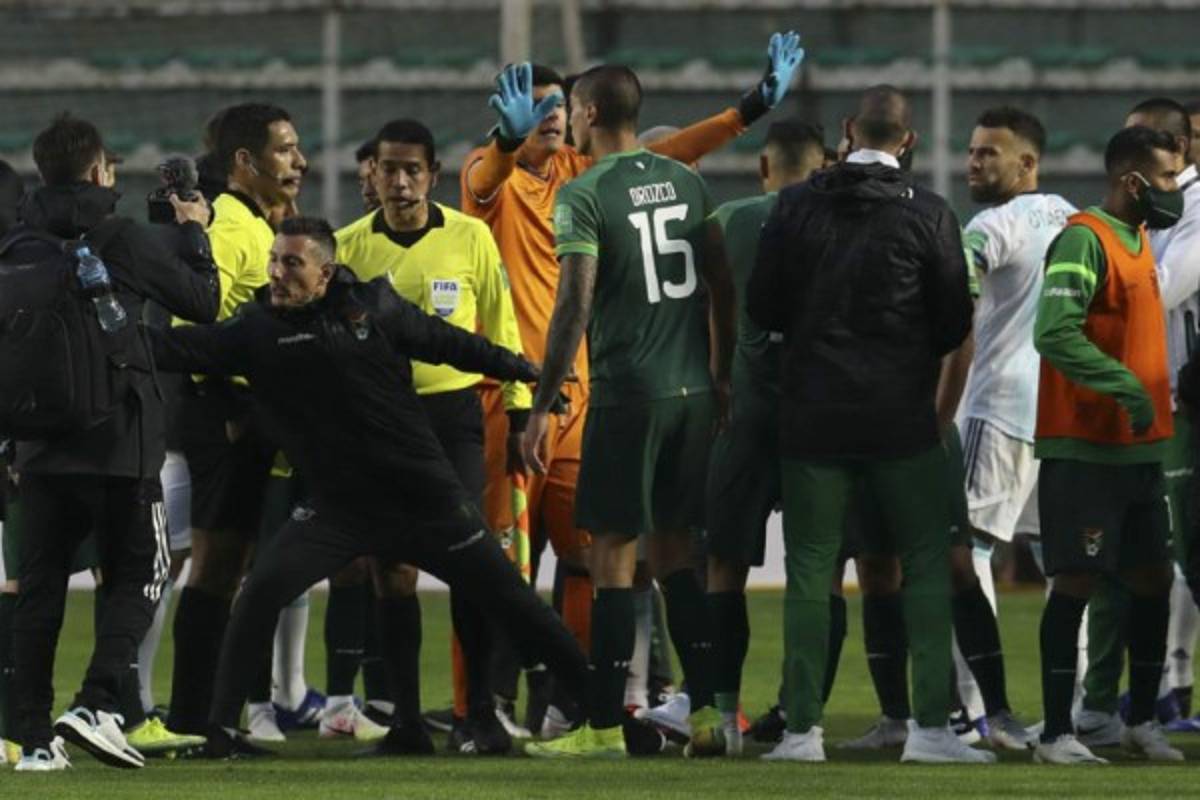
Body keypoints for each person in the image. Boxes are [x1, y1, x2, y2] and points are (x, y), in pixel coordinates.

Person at [147, 216, 591, 760]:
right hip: (339, 509)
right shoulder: (256, 330)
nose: (277, 274)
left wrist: (524, 369)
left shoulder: (372, 309)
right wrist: (104, 326)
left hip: (425, 498)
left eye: (292, 263)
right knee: (259, 593)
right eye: (274, 261)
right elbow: (175, 349)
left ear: (326, 273)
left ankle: (603, 713)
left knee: (513, 601)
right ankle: (217, 731)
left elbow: (453, 344)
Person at [462, 36, 803, 734]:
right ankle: (484, 709)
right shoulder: (493, 174)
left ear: (583, 113)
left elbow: (657, 168)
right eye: (535, 104)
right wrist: (505, 134)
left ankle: (582, 713)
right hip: (517, 397)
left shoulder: (581, 181)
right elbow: (485, 177)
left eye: (559, 105)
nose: (550, 115)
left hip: (595, 396)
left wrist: (744, 112)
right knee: (507, 568)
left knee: (595, 560)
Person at [746, 85, 987, 764]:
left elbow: (762, 307)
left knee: (809, 572)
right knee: (924, 569)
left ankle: (801, 733)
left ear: (848, 131)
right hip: (901, 420)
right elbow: (951, 323)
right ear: (908, 141)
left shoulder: (794, 206)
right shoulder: (932, 214)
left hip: (813, 416)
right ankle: (931, 731)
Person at [519, 63, 735, 759]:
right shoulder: (689, 182)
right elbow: (721, 286)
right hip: (692, 393)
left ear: (585, 112)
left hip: (627, 392)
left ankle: (604, 726)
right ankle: (707, 718)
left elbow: (573, 303)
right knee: (677, 558)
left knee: (610, 558)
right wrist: (722, 375)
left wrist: (544, 402)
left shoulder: (583, 194)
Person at [8, 113, 218, 771]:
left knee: (40, 594)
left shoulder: (17, 243)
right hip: (120, 445)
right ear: (101, 171)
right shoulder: (122, 236)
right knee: (144, 570)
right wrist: (193, 233)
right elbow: (203, 302)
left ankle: (32, 740)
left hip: (39, 447)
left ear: (44, 173)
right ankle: (97, 702)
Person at [336, 118, 531, 753]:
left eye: (410, 170)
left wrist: (521, 409)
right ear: (373, 175)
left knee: (469, 564)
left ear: (432, 175)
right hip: (380, 423)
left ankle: (478, 716)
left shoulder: (471, 238)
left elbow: (501, 328)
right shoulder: (349, 248)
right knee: (391, 572)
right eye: (386, 169)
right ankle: (407, 722)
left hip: (454, 418)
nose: (398, 181)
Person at [1031, 125, 1183, 765]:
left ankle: (1140, 721)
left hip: (1141, 452)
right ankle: (1056, 735)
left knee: (1152, 580)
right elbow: (1053, 332)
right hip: (1085, 449)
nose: (1177, 189)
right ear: (1133, 181)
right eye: (1170, 178)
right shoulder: (1083, 239)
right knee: (1075, 582)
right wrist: (1124, 384)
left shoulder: (1141, 238)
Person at [166, 102, 315, 739]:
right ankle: (196, 720)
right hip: (220, 422)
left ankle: (207, 718)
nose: (300, 161)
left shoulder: (255, 224)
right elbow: (191, 321)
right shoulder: (232, 225)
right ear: (245, 163)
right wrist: (232, 408)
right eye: (285, 150)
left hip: (239, 419)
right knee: (216, 568)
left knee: (229, 570)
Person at [701, 118, 826, 757]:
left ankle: (726, 720)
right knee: (819, 570)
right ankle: (804, 721)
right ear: (824, 165)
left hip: (741, 411)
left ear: (763, 167)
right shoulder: (839, 219)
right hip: (822, 416)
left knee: (723, 565)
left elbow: (696, 312)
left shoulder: (727, 220)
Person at [951, 105, 1075, 744]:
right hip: (1058, 413)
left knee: (966, 553)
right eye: (972, 152)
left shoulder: (993, 223)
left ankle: (973, 710)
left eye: (987, 154)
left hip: (995, 407)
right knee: (1064, 564)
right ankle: (1077, 706)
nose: (973, 162)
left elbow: (958, 285)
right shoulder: (1075, 220)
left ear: (1026, 163)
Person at [1079, 99, 1200, 742]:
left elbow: (1156, 288)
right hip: (1142, 410)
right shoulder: (1141, 220)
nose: (1126, 156)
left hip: (1178, 410)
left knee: (1173, 561)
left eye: (1141, 142)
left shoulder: (1185, 215)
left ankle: (1154, 696)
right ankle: (1115, 704)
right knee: (1124, 564)